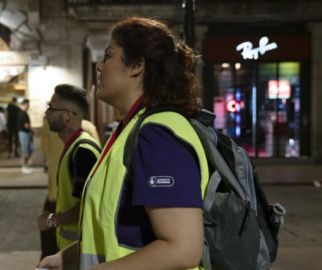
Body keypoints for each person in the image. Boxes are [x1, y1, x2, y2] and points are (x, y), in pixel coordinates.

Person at [37, 16, 209, 270]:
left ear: (136, 66)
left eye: (108, 55)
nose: (99, 66)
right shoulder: (130, 129)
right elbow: (125, 232)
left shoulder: (158, 134)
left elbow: (182, 249)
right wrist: (68, 258)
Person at [37, 84, 101, 258]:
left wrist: (53, 220)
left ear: (67, 115)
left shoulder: (83, 151)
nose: (47, 113)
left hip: (80, 253)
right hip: (71, 253)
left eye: (51, 108)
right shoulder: (75, 146)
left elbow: (86, 205)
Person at [18, 99, 33, 174]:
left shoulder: (24, 113)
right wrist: (32, 130)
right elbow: (26, 125)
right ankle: (24, 166)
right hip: (24, 133)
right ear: (25, 104)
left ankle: (26, 165)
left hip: (26, 133)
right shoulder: (22, 113)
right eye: (28, 104)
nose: (29, 106)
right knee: (25, 150)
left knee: (30, 149)